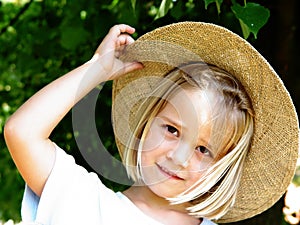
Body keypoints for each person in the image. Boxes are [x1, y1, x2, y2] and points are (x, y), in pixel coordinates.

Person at [4, 22, 299, 225]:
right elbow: (23, 132)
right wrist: (96, 69)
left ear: (224, 165)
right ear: (147, 122)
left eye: (203, 149)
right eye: (172, 130)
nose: (178, 156)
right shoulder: (86, 203)